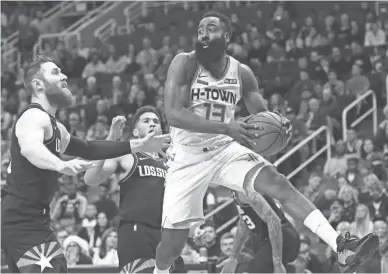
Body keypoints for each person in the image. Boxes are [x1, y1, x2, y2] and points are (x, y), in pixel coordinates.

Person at [153, 12, 379, 274]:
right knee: (171, 247)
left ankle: (342, 248)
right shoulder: (184, 63)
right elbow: (174, 114)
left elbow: (262, 119)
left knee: (279, 183)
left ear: (226, 37)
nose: (203, 34)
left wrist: (279, 127)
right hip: (186, 156)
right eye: (200, 30)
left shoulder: (242, 73)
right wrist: (228, 127)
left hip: (225, 148)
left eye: (211, 29)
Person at [1, 56, 168, 273]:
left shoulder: (57, 128)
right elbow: (30, 149)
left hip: (34, 217)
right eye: (55, 72)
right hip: (20, 217)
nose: (64, 76)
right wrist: (60, 165)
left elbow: (89, 148)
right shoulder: (33, 116)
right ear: (37, 84)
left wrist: (138, 144)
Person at [84, 106, 185, 273]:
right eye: (146, 121)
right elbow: (90, 178)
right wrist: (111, 140)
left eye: (156, 121)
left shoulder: (170, 163)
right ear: (136, 132)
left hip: (164, 235)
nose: (152, 123)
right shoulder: (128, 156)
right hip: (135, 231)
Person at [220, 191, 300, 273]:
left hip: (281, 237)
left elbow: (273, 220)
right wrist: (233, 257)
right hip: (272, 239)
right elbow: (244, 222)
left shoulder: (244, 189)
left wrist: (277, 262)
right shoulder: (235, 189)